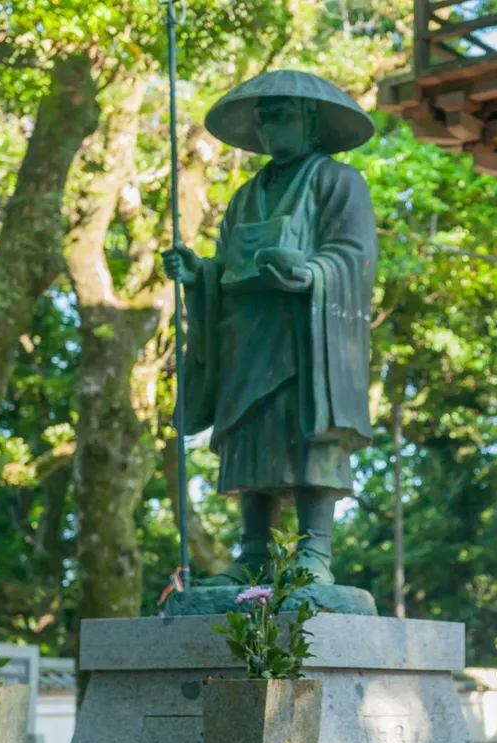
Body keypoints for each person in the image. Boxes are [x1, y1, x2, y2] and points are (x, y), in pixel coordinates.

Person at [161, 71, 378, 584]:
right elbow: (224, 264)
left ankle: (315, 552)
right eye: (262, 116)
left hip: (305, 331)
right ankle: (254, 551)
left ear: (311, 121)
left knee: (307, 434)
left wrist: (311, 273)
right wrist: (200, 275)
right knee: (248, 435)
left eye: (279, 113)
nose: (267, 125)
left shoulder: (338, 181)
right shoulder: (244, 196)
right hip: (244, 331)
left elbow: (355, 255)